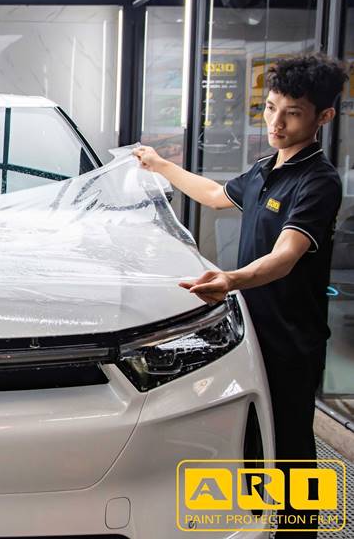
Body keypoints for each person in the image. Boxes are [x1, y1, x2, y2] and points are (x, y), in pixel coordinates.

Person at [134, 52, 347, 537]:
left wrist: (230, 280)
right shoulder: (266, 167)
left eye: (292, 113)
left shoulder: (318, 182)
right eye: (271, 108)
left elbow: (286, 255)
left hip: (291, 339)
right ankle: (253, 526)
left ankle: (300, 533)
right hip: (252, 328)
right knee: (251, 434)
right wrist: (160, 165)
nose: (276, 123)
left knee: (292, 446)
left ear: (323, 117)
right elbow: (214, 196)